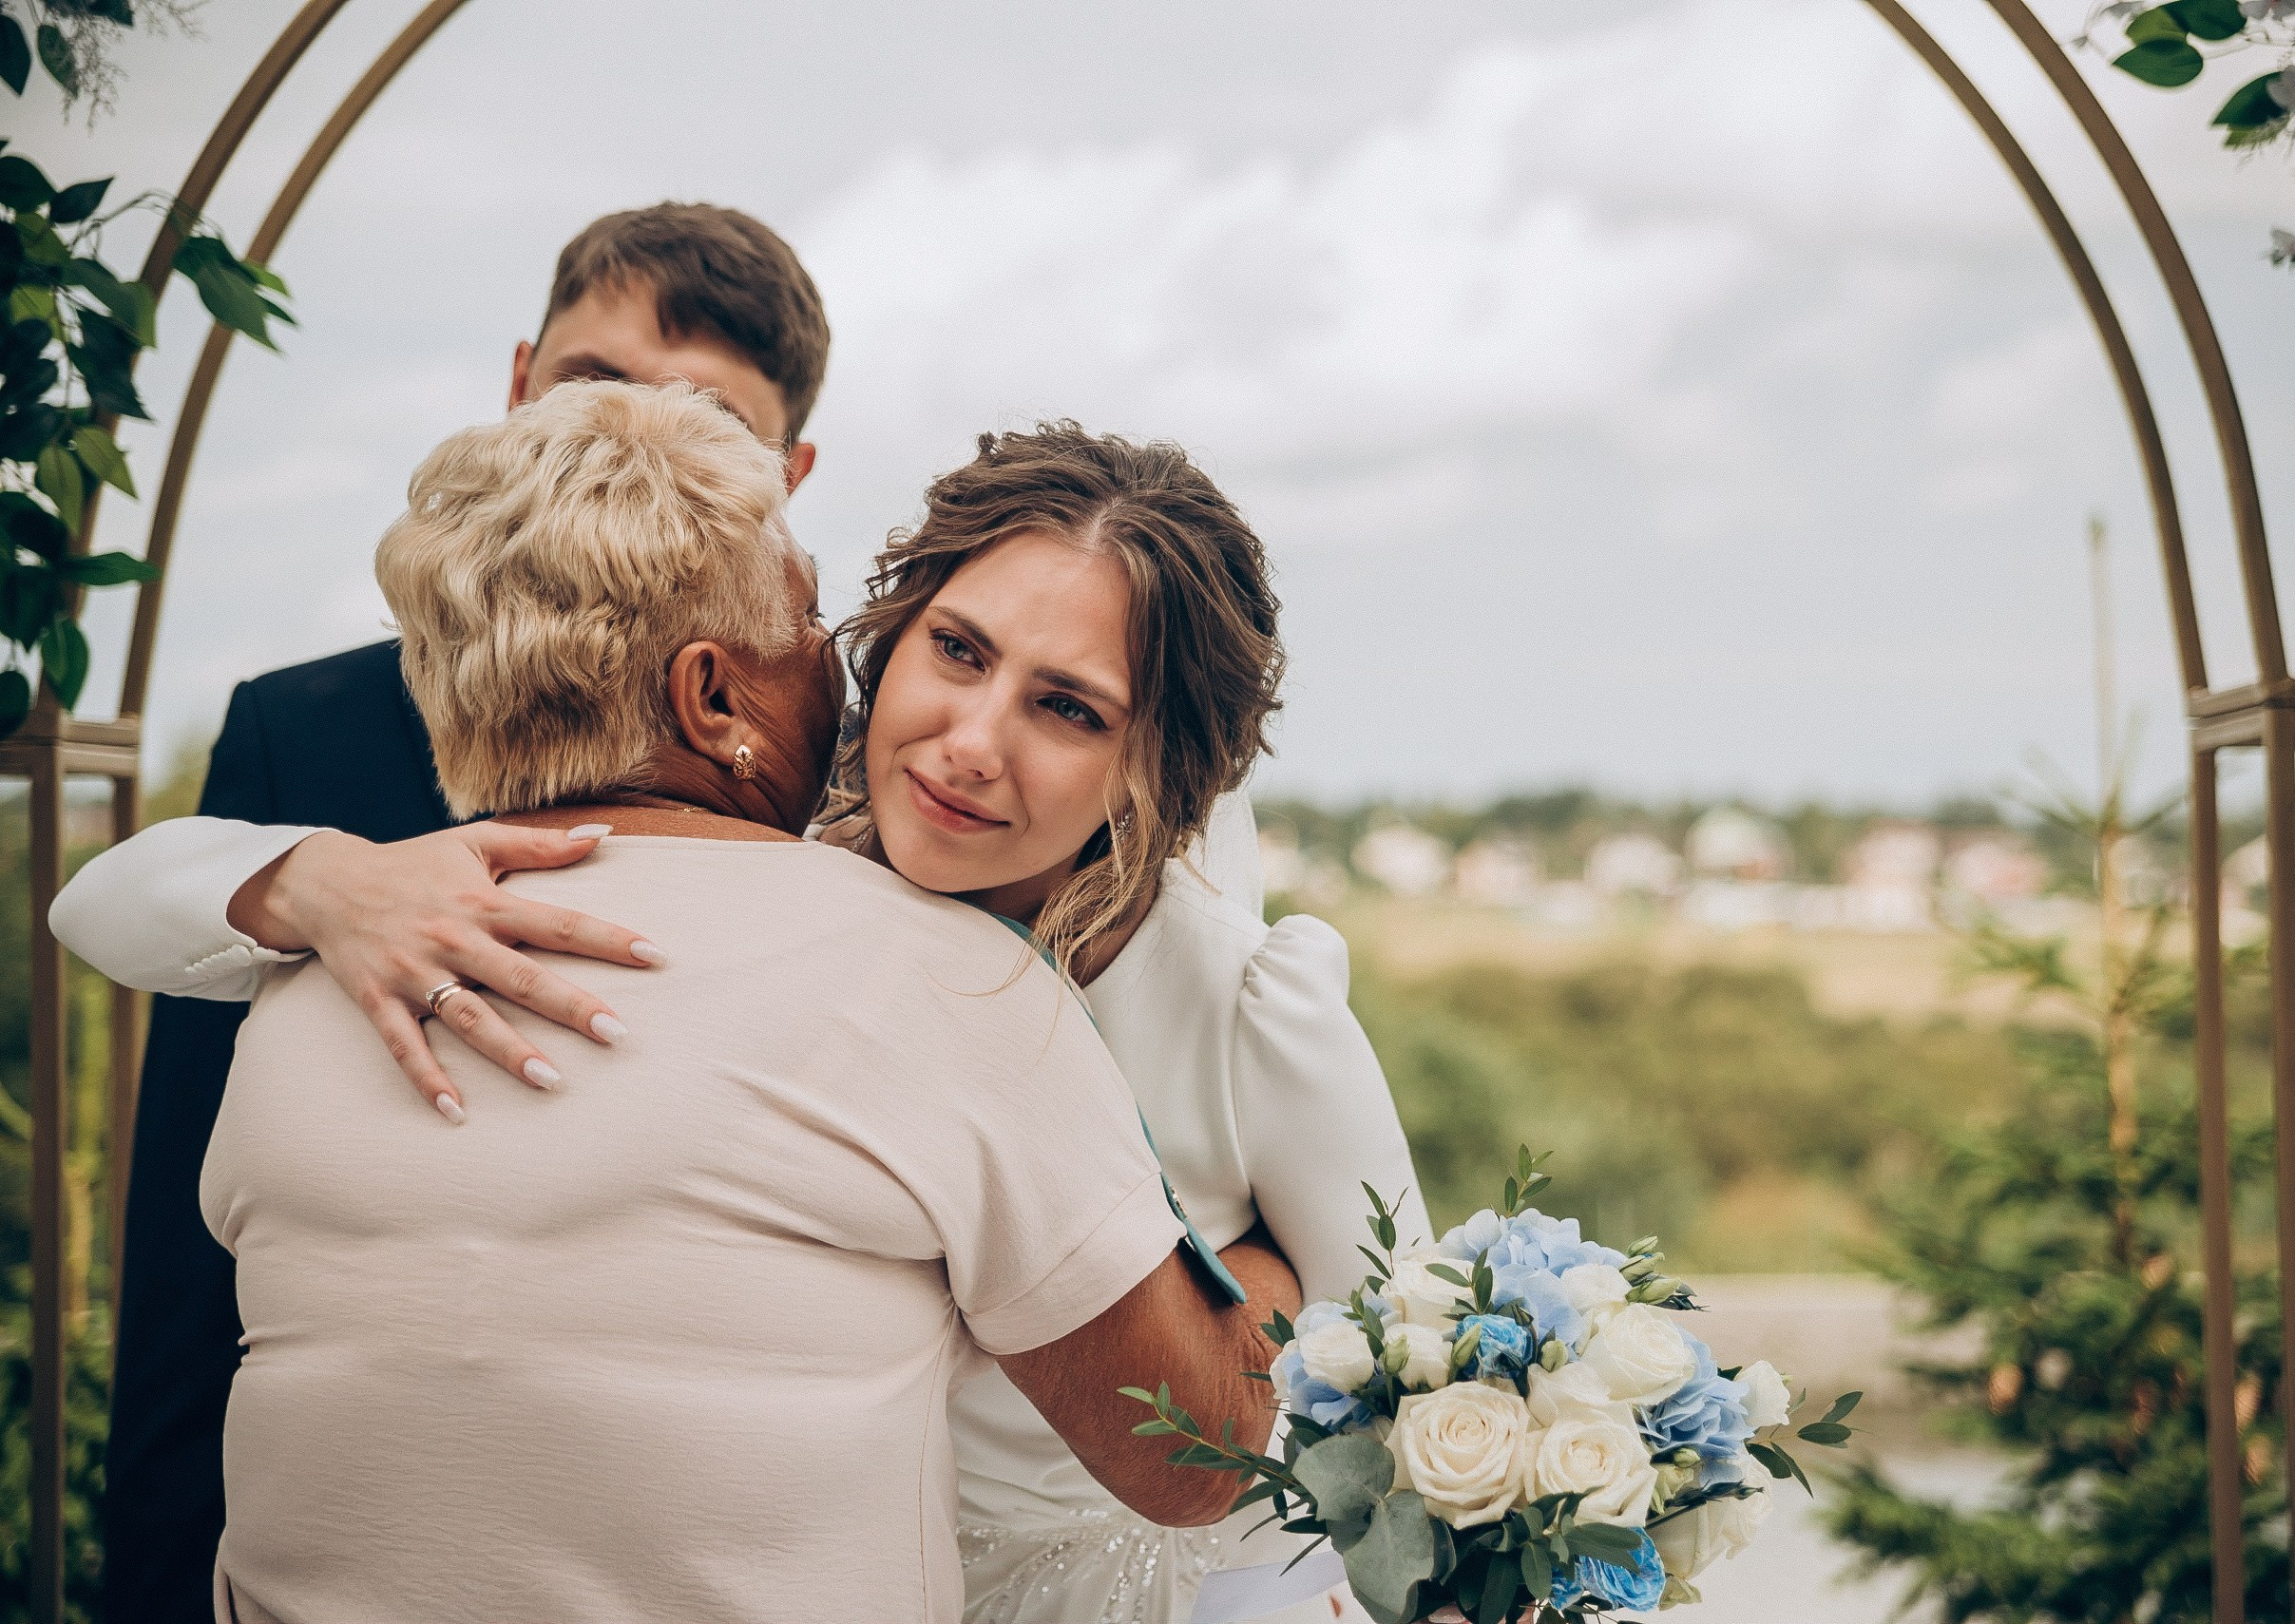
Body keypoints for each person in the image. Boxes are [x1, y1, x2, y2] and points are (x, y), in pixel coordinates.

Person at [63, 421, 1424, 1623]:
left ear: (1149, 763)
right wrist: (317, 874)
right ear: (724, 692)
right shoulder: (905, 966)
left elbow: (1400, 1343)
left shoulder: (302, 990)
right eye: (946, 648)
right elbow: (1187, 1430)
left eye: (1069, 707)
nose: (967, 738)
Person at [97, 201, 833, 1624]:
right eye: (590, 383)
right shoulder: (308, 723)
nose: (625, 432)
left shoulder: (812, 737)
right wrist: (314, 877)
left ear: (790, 471)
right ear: (516, 384)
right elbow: (193, 1266)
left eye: (702, 416)